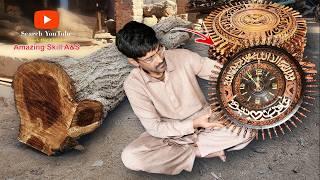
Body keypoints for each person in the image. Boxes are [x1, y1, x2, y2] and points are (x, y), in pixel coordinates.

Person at [115, 21, 255, 175]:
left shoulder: (182, 56)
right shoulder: (133, 85)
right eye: (149, 59)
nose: (159, 59)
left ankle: (187, 152)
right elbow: (154, 128)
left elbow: (220, 72)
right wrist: (192, 124)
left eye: (158, 50)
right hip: (169, 134)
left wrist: (248, 76)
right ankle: (198, 152)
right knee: (131, 157)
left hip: (207, 121)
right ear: (134, 62)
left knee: (248, 128)